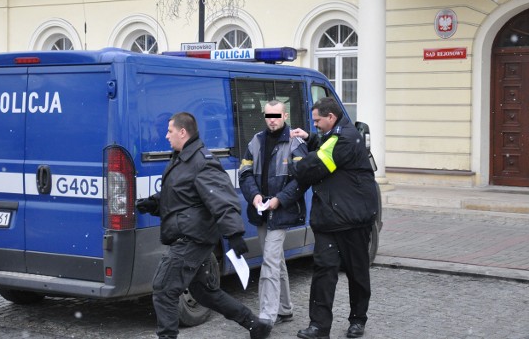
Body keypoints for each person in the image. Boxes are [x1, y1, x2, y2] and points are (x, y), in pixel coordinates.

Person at [136, 112, 272, 339]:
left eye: (170, 131)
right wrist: (154, 203)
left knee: (163, 289)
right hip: (189, 234)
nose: (166, 136)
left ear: (182, 132)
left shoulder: (201, 161)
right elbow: (182, 196)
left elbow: (223, 198)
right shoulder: (181, 158)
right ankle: (255, 325)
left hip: (191, 239)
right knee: (204, 292)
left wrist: (235, 234)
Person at [289, 97, 379, 339]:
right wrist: (309, 138)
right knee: (323, 272)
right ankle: (319, 326)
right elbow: (324, 143)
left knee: (357, 272)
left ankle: (358, 320)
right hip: (330, 218)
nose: (315, 124)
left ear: (331, 117)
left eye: (318, 120)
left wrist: (295, 159)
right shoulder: (338, 134)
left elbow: (315, 165)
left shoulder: (346, 138)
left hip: (352, 219)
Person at [238, 100, 308, 327]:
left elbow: (302, 179)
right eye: (269, 115)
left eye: (277, 115)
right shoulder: (256, 140)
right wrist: (255, 196)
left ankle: (267, 316)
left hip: (282, 211)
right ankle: (285, 309)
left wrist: (280, 200)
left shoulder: (295, 142)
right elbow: (245, 171)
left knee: (269, 261)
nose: (272, 119)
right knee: (276, 260)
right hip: (261, 210)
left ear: (285, 115)